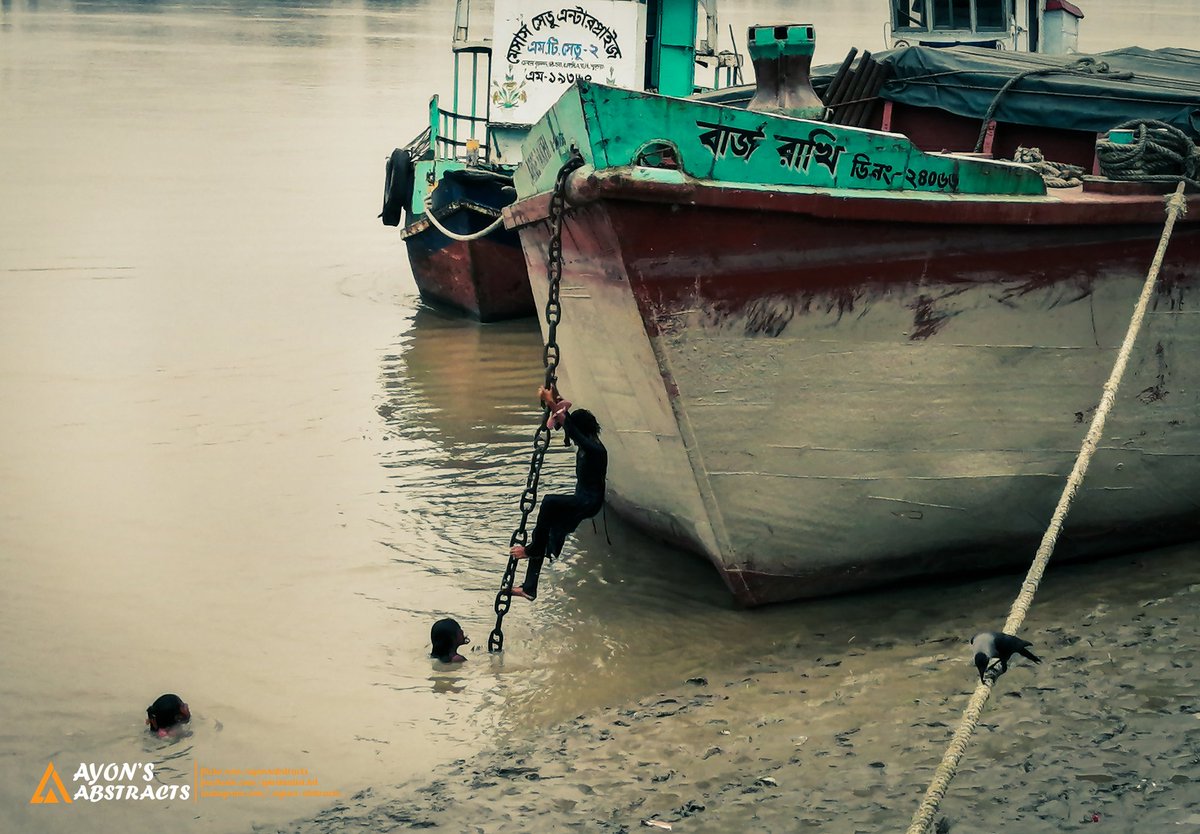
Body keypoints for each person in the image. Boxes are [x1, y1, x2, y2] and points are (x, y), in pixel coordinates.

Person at [509, 386, 607, 601]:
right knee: (544, 532)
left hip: (588, 502)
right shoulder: (588, 444)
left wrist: (552, 403)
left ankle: (533, 549)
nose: (571, 438)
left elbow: (573, 431)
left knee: (550, 502)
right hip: (583, 500)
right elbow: (570, 425)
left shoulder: (595, 450)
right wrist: (556, 400)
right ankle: (529, 587)